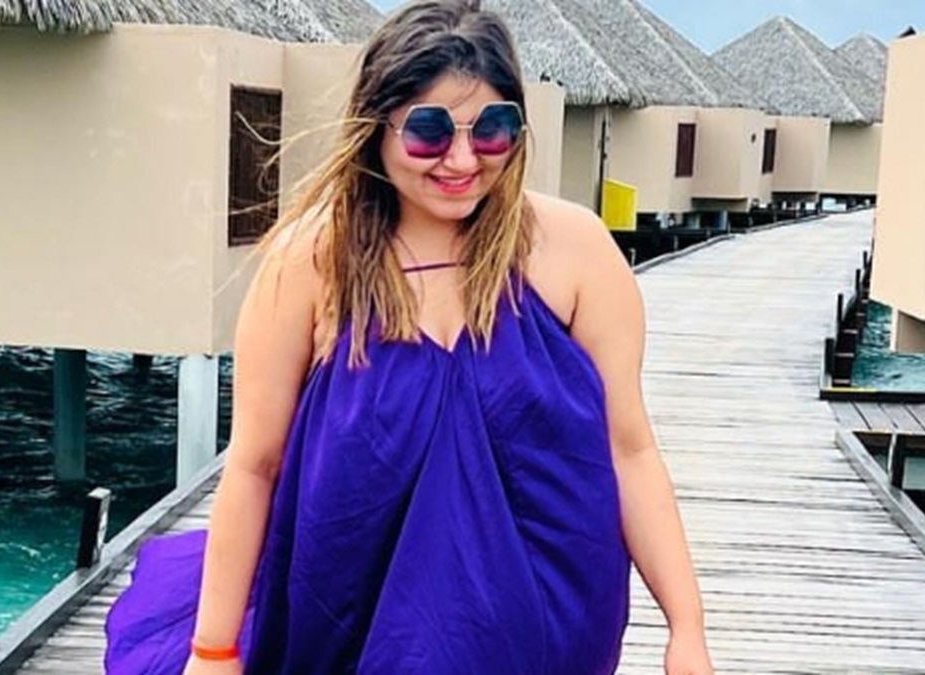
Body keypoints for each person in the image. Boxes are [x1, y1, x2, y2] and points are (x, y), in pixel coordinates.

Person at [105, 1, 713, 673]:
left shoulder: (576, 251)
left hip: (546, 626)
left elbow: (629, 449)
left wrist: (686, 626)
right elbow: (255, 464)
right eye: (429, 132)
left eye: (493, 129)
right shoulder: (311, 264)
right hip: (352, 622)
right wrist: (214, 649)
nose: (463, 158)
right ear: (377, 127)